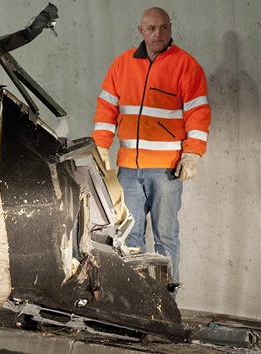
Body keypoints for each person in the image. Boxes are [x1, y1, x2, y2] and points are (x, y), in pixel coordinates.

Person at [91, 7, 211, 286]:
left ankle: (165, 305)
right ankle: (134, 303)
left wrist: (192, 154)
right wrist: (100, 148)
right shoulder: (122, 64)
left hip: (166, 170)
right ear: (141, 31)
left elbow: (198, 114)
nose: (159, 34)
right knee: (126, 236)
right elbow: (106, 109)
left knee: (165, 238)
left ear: (170, 29)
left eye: (164, 28)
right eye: (152, 28)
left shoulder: (186, 65)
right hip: (129, 171)